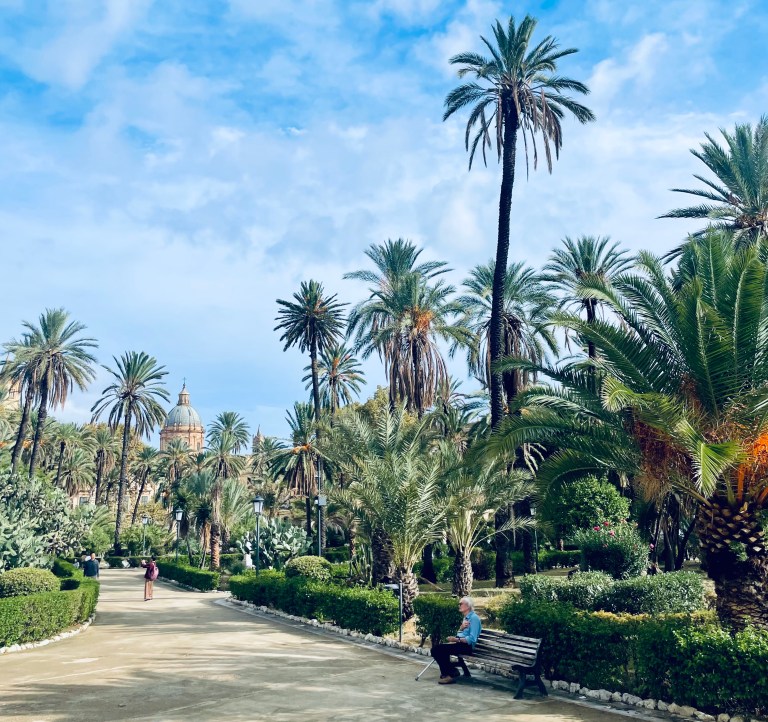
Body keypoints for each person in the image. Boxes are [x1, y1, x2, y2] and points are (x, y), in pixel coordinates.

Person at [430, 596, 482, 684]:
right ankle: (450, 671)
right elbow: (460, 634)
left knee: (438, 650)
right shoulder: (466, 618)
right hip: (460, 644)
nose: (459, 605)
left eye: (461, 604)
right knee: (436, 649)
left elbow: (472, 639)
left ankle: (448, 674)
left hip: (467, 647)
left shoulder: (474, 618)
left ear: (468, 606)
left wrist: (456, 639)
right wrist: (460, 628)